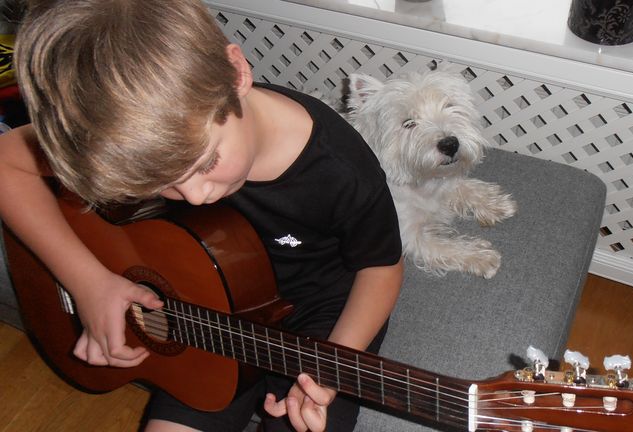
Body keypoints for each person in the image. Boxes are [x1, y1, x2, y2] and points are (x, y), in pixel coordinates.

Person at [0, 1, 404, 431]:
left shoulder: (341, 170)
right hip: (198, 302)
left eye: (207, 162)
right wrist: (89, 283)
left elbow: (382, 269)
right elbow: (7, 163)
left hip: (321, 315)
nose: (195, 197)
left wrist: (331, 366)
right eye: (161, 184)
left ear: (236, 73)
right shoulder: (126, 135)